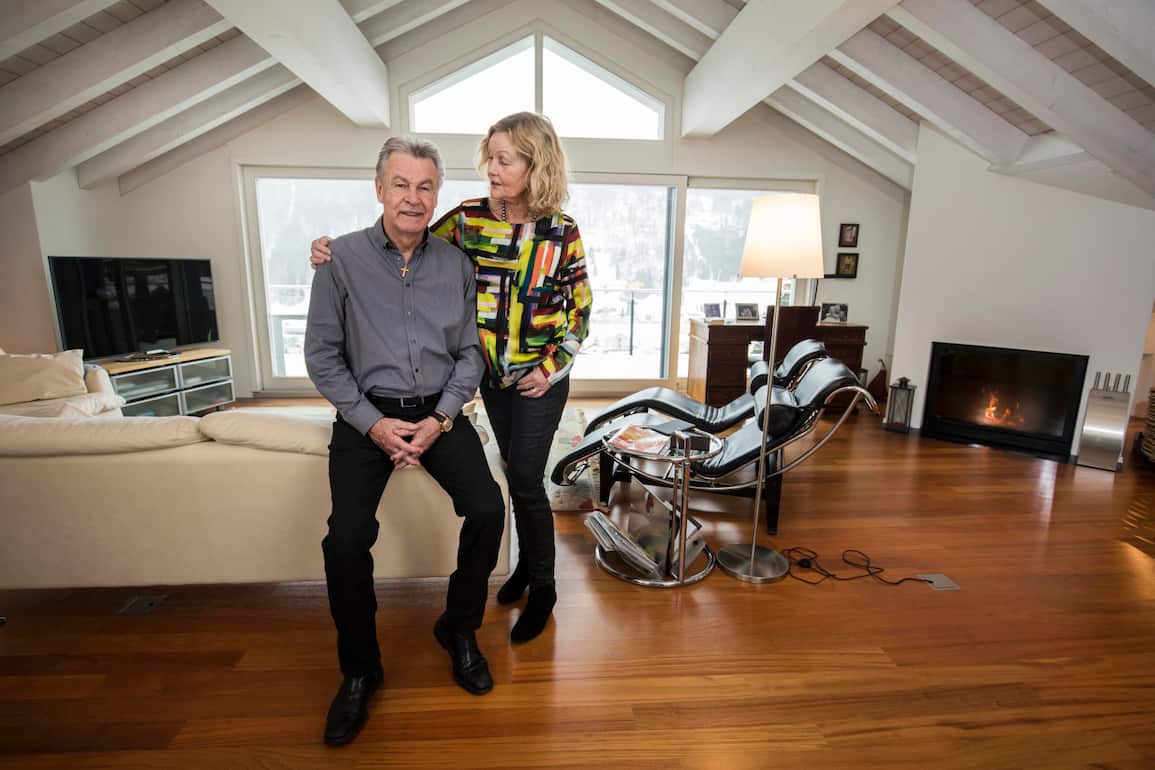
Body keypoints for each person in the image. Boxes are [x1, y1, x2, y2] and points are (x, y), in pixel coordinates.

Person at [312, 112, 592, 645]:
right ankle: (521, 569)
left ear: (535, 166)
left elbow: (580, 310)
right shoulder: (467, 219)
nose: (492, 168)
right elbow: (406, 240)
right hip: (490, 379)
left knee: (526, 480)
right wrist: (331, 251)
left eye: (503, 160)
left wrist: (550, 368)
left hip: (539, 380)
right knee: (510, 474)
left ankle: (544, 587)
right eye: (491, 158)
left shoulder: (562, 231)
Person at [305, 136, 506, 747]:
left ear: (436, 195)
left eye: (424, 187)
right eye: (401, 184)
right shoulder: (338, 260)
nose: (412, 198)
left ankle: (458, 627)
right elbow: (322, 355)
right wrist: (373, 423)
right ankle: (360, 669)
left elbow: (469, 354)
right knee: (345, 540)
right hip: (366, 419)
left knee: (489, 509)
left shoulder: (456, 265)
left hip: (439, 415)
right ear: (379, 189)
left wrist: (441, 418)